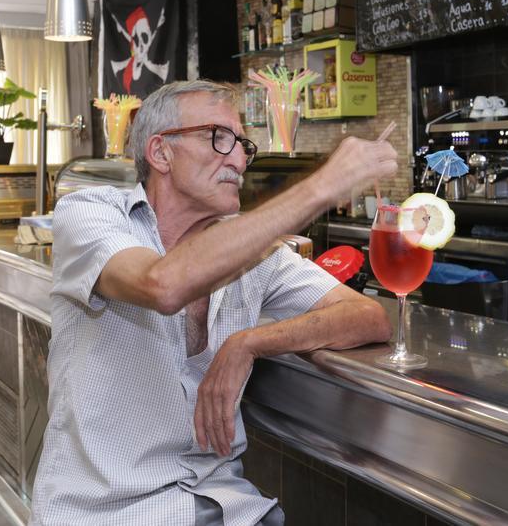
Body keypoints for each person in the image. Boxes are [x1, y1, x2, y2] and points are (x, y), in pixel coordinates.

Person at [31, 81, 397, 526]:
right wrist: (324, 185)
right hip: (105, 513)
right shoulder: (91, 213)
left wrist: (250, 342)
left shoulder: (252, 253)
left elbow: (368, 317)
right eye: (218, 137)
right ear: (160, 152)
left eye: (243, 144)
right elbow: (162, 285)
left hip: (226, 510)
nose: (239, 160)